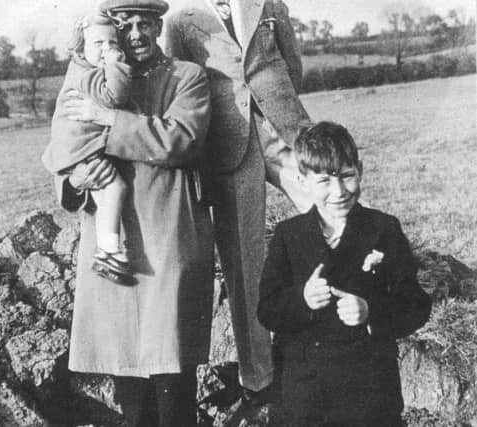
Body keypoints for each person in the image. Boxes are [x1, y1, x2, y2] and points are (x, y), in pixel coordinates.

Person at [54, 0, 214, 425]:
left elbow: (180, 141)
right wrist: (76, 179)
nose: (138, 34)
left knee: (171, 367)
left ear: (159, 25)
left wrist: (107, 119)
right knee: (127, 368)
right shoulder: (87, 79)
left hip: (169, 233)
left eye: (146, 23)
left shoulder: (186, 77)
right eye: (126, 25)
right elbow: (64, 143)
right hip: (115, 240)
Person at [164, 0, 312, 400]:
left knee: (328, 213)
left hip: (287, 129)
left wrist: (282, 112)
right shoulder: (180, 21)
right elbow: (179, 85)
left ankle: (346, 329)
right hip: (229, 145)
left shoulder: (269, 4)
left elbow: (292, 64)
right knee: (245, 264)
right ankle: (258, 378)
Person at [257, 121, 432, 426]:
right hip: (303, 398)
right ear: (303, 180)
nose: (338, 192)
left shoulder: (383, 229)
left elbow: (415, 304)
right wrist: (302, 300)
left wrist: (371, 312)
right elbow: (267, 310)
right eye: (324, 181)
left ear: (360, 170)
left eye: (347, 176)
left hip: (369, 395)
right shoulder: (289, 236)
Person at [42, 13, 133, 282]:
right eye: (98, 44)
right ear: (80, 48)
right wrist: (117, 66)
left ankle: (108, 251)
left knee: (107, 194)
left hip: (76, 147)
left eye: (113, 44)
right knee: (116, 187)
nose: (108, 51)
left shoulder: (81, 68)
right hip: (80, 147)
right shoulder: (88, 75)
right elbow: (114, 97)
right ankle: (108, 251)